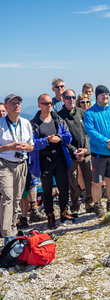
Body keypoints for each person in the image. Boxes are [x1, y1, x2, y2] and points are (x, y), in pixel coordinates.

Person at [30, 94, 73, 229]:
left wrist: (59, 137)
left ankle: (64, 212)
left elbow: (68, 137)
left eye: (50, 103)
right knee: (47, 190)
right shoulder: (34, 123)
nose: (48, 105)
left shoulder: (58, 119)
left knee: (63, 187)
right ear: (39, 105)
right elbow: (32, 143)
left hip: (59, 157)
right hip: (44, 159)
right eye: (45, 103)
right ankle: (50, 215)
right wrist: (47, 140)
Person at [84, 85, 110, 217]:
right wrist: (106, 142)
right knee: (97, 182)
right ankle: (97, 204)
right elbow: (91, 131)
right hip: (98, 154)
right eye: (102, 94)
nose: (105, 96)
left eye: (107, 94)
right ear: (97, 96)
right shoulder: (90, 113)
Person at [0, 94, 34, 244]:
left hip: (21, 163)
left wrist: (28, 147)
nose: (17, 105)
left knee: (17, 199)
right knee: (7, 198)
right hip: (4, 164)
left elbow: (32, 146)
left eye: (19, 102)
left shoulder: (26, 123)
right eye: (13, 103)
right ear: (6, 107)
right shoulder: (1, 123)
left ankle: (13, 230)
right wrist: (10, 147)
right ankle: (7, 235)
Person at [58, 89, 93, 217]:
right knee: (72, 181)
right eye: (67, 97)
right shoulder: (59, 115)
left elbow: (89, 133)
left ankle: (89, 203)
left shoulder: (82, 113)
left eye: (73, 97)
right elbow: (61, 137)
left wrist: (85, 149)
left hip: (85, 152)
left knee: (89, 178)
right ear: (63, 99)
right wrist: (74, 151)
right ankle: (75, 206)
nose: (71, 99)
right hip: (69, 154)